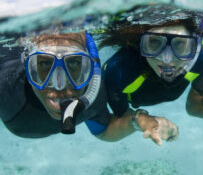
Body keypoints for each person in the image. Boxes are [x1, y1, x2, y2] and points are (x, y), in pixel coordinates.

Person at [100, 4, 203, 145]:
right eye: (155, 43)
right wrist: (143, 120)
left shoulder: (199, 61)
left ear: (193, 47)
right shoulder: (119, 71)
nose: (166, 59)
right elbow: (122, 114)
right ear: (141, 44)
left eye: (180, 45)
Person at [0, 31, 132, 140]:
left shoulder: (94, 93)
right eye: (45, 64)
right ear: (28, 68)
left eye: (73, 63)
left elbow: (103, 131)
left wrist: (138, 122)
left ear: (88, 68)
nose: (60, 87)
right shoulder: (7, 87)